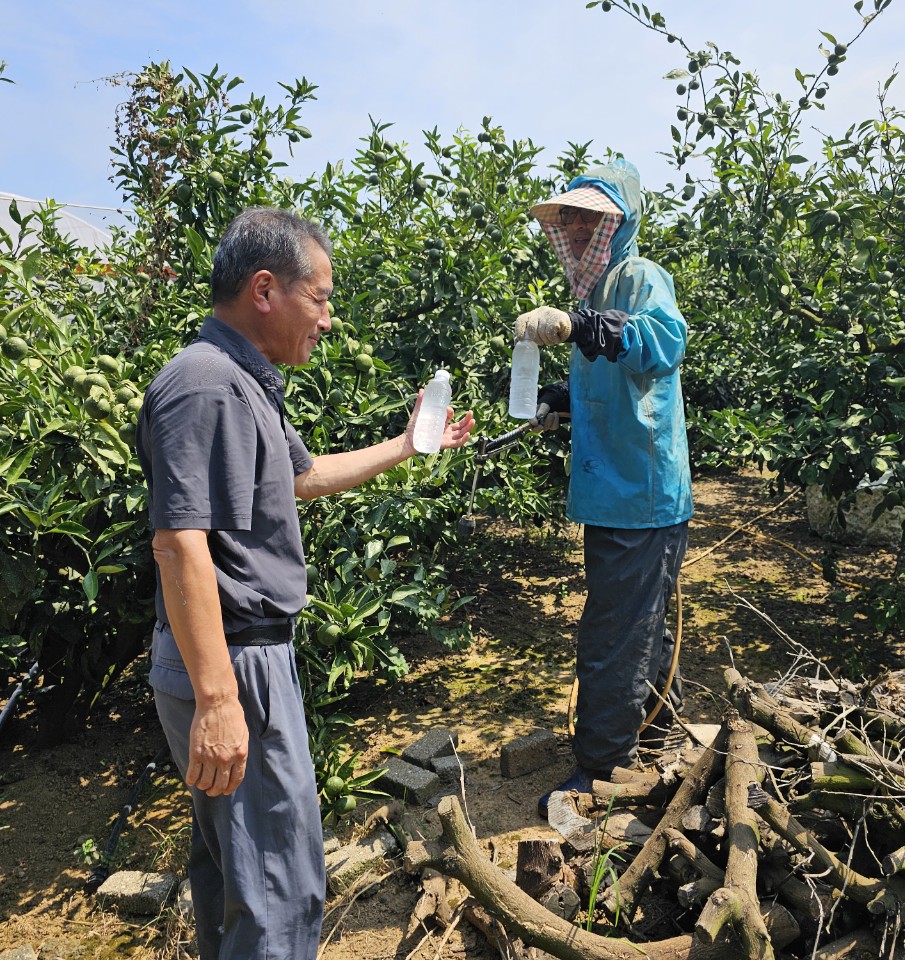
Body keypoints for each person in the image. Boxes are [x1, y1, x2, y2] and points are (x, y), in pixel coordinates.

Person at [136, 207, 474, 960]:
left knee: (243, 877)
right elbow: (178, 544)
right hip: (233, 660)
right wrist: (220, 700)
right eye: (319, 298)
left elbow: (303, 477)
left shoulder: (241, 379)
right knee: (280, 890)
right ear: (265, 290)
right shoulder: (206, 385)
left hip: (242, 656)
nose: (328, 318)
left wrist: (408, 444)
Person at [514, 158, 693, 817]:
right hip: (623, 490)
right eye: (573, 219)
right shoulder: (598, 294)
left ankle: (600, 768)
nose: (581, 229)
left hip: (638, 495)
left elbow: (662, 343)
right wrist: (558, 397)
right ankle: (655, 735)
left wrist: (575, 327)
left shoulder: (639, 277)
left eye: (593, 217)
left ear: (618, 223)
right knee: (641, 625)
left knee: (614, 634)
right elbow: (609, 382)